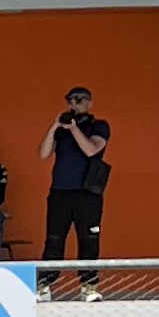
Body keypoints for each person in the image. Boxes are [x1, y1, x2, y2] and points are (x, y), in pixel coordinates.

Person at [38, 83, 111, 295]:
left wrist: (74, 128)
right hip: (60, 192)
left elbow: (91, 150)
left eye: (79, 100)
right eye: (70, 100)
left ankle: (89, 286)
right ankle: (45, 285)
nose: (74, 104)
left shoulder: (99, 126)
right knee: (54, 239)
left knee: (88, 240)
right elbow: (43, 154)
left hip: (87, 194)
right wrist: (54, 127)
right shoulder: (62, 131)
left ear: (89, 103)